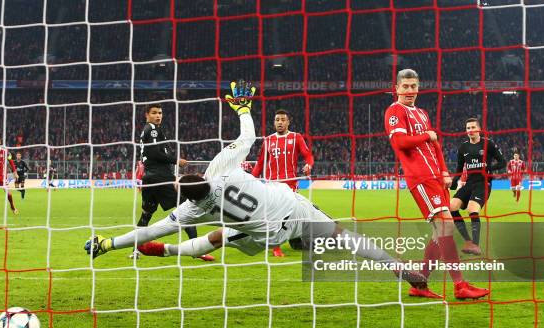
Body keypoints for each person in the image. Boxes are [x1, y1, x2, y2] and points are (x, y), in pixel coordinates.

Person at [84, 81, 427, 290]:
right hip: (289, 205)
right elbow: (247, 135)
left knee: (217, 238)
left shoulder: (192, 209)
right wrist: (243, 108)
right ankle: (397, 266)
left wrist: (108, 243)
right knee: (341, 235)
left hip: (265, 234)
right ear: (202, 178)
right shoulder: (220, 169)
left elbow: (152, 230)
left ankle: (171, 253)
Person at [384, 69, 489, 300]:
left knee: (439, 230)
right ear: (397, 88)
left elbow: (436, 145)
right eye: (406, 86)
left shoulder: (421, 113)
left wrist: (443, 171)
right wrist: (427, 136)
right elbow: (400, 142)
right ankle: (460, 286)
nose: (410, 90)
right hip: (419, 177)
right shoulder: (395, 111)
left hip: (435, 177)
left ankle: (419, 283)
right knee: (446, 225)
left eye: (413, 86)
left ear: (419, 87)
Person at [133, 103, 212, 262]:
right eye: (154, 113)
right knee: (187, 207)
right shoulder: (153, 129)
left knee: (146, 214)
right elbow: (154, 153)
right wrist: (176, 161)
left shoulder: (146, 131)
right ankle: (197, 250)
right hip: (160, 177)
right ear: (146, 115)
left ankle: (136, 249)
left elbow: (152, 152)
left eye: (160, 113)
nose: (158, 116)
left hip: (149, 178)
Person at [251, 109, 314, 257]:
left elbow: (308, 155)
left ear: (288, 122)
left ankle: (294, 239)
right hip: (271, 184)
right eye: (277, 119)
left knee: (290, 215)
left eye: (282, 119)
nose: (280, 122)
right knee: (275, 215)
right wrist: (251, 179)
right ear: (274, 122)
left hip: (290, 184)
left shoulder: (296, 137)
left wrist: (308, 165)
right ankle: (276, 247)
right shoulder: (268, 140)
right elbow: (260, 163)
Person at [449, 118, 506, 255]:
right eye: (468, 128)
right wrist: (454, 181)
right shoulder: (463, 147)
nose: (470, 130)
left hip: (483, 183)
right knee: (451, 207)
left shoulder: (488, 144)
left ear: (479, 129)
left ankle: (475, 245)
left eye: (473, 127)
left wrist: (489, 168)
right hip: (469, 183)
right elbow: (459, 167)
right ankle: (468, 241)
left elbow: (503, 162)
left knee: (472, 209)